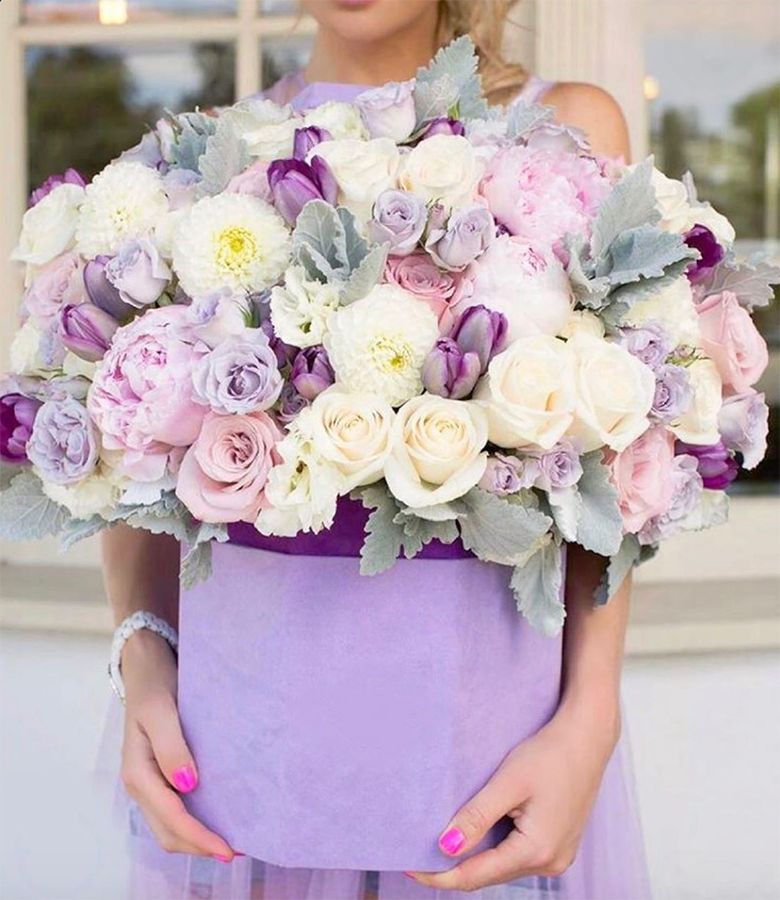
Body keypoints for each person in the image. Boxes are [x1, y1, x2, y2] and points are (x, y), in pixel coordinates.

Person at [104, 1, 649, 897]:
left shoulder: (564, 129)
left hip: (488, 736)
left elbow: (613, 457)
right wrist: (141, 655)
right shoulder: (212, 152)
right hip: (253, 733)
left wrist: (592, 716)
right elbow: (136, 447)